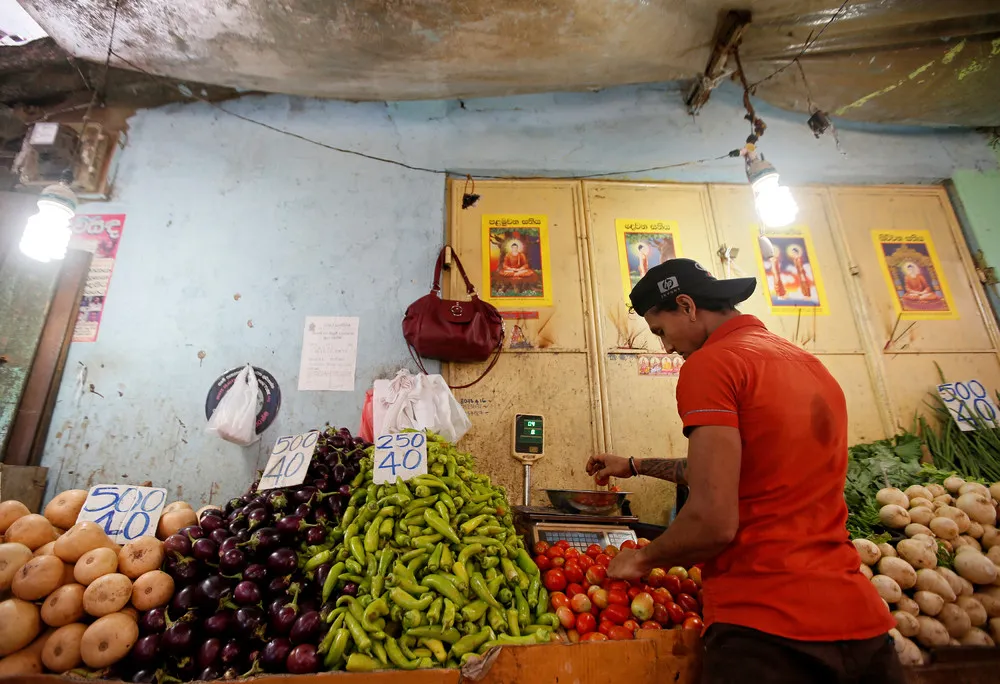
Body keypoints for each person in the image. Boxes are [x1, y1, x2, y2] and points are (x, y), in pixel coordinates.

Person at [586, 258, 901, 684]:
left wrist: (640, 559)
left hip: (767, 631)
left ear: (687, 306)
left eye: (660, 331)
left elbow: (713, 523)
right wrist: (635, 466)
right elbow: (750, 469)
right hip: (861, 624)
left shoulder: (712, 364)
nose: (665, 348)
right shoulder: (808, 365)